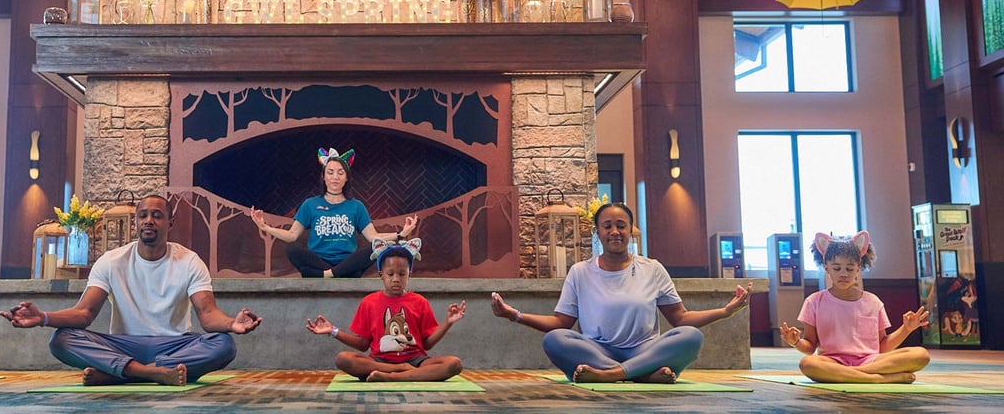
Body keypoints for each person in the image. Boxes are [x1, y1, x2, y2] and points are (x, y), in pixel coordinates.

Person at [0, 194, 261, 386]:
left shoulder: (189, 261)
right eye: (143, 215)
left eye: (157, 215)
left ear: (170, 222)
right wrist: (42, 318)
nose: (149, 220)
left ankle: (124, 374)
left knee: (224, 344)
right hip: (123, 345)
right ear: (136, 222)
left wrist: (231, 324)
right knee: (61, 339)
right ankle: (151, 373)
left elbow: (208, 315)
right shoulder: (112, 261)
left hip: (174, 345)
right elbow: (84, 313)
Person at [491, 202, 752, 384]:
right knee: (555, 340)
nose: (614, 231)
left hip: (645, 351)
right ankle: (641, 375)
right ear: (598, 233)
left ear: (630, 231)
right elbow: (561, 324)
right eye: (607, 226)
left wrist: (725, 311)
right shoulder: (580, 272)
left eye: (621, 225)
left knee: (691, 337)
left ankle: (611, 375)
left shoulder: (652, 268)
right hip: (597, 352)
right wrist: (515, 315)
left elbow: (680, 320)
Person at [780, 231, 930, 384]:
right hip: (832, 362)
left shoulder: (873, 302)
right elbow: (810, 347)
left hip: (871, 361)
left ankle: (854, 375)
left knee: (920, 354)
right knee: (808, 364)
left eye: (850, 269)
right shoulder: (814, 301)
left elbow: (883, 345)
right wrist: (796, 342)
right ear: (827, 268)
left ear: (858, 268)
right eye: (837, 268)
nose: (843, 274)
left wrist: (907, 329)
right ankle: (878, 379)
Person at [306, 238, 466, 382]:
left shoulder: (420, 302)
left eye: (402, 274)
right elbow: (363, 345)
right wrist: (332, 331)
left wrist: (447, 322)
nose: (396, 279)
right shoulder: (369, 302)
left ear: (409, 274)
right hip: (379, 361)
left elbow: (426, 344)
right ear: (381, 275)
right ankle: (399, 371)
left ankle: (393, 377)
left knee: (454, 364)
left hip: (415, 361)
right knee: (343, 359)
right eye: (391, 274)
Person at [248, 147, 419, 278]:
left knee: (375, 248)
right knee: (292, 248)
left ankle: (325, 275)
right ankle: (341, 274)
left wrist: (400, 234)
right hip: (318, 260)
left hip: (346, 261)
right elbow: (292, 236)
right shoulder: (310, 204)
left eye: (340, 173)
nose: (335, 177)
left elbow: (373, 237)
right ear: (324, 177)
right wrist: (265, 227)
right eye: (330, 172)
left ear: (346, 178)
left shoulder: (356, 206)